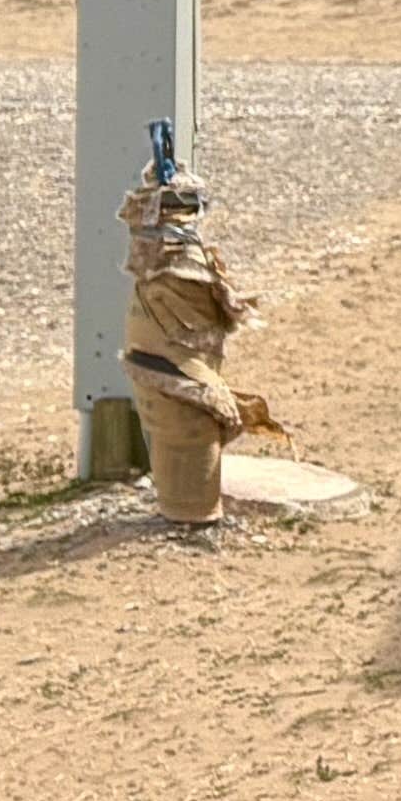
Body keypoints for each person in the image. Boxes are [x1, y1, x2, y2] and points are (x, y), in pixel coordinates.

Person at [118, 167, 255, 534]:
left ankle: (193, 508)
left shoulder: (176, 273)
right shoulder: (167, 276)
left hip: (173, 347)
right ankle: (189, 509)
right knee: (183, 414)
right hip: (167, 348)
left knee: (190, 414)